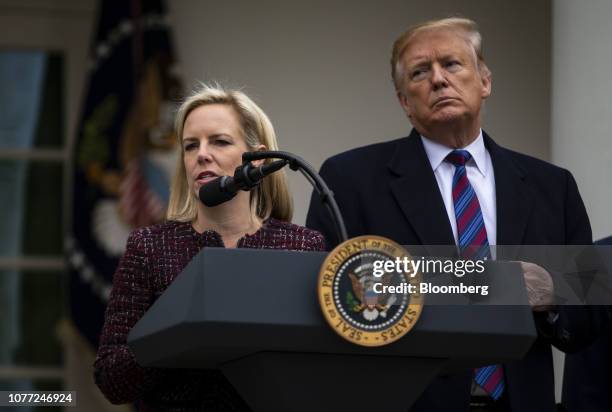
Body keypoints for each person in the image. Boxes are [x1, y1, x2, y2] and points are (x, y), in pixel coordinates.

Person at [306, 17, 608, 412]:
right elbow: (330, 298)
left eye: (451, 64)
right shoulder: (350, 179)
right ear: (404, 102)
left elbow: (591, 318)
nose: (437, 79)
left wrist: (552, 295)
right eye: (419, 72)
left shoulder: (552, 185)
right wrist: (487, 283)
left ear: (485, 82)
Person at [94, 84, 325, 411]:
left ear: (257, 161)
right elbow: (111, 379)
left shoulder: (301, 246)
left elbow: (317, 370)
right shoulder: (149, 247)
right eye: (190, 146)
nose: (201, 153)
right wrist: (178, 334)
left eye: (219, 141)